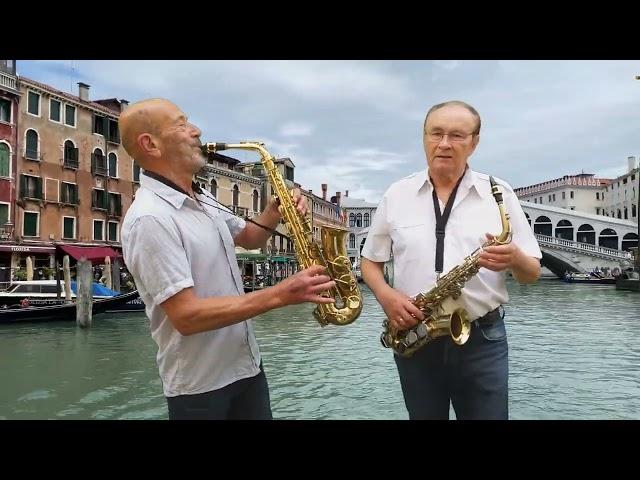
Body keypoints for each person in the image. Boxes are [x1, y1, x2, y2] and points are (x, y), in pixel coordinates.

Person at [119, 98, 336, 420]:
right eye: (182, 124)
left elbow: (250, 238)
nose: (196, 131)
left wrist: (274, 211)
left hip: (246, 367)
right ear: (150, 144)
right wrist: (279, 294)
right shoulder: (150, 219)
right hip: (200, 386)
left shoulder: (201, 197)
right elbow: (186, 316)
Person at [361, 100, 542, 420]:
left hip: (482, 338)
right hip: (414, 334)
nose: (444, 143)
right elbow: (370, 262)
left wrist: (514, 257)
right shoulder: (397, 194)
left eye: (457, 135)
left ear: (475, 142)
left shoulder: (500, 194)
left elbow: (532, 273)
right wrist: (387, 297)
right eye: (436, 133)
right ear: (424, 137)